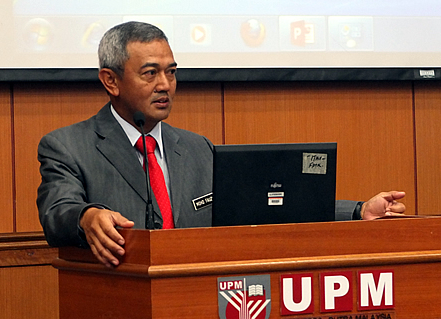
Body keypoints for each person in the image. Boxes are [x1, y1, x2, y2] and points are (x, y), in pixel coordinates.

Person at [37, 21, 406, 269]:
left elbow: (265, 204)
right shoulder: (68, 146)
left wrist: (357, 212)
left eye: (172, 71)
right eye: (150, 73)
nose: (165, 84)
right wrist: (87, 218)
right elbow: (58, 211)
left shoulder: (197, 149)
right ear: (111, 80)